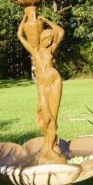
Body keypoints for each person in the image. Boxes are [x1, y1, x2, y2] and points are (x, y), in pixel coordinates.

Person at [18, 8, 67, 164]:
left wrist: (47, 21)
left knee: (53, 117)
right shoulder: (35, 51)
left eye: (51, 39)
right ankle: (47, 146)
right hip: (42, 86)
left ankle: (50, 148)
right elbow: (20, 35)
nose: (51, 41)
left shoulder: (51, 49)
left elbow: (61, 32)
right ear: (41, 38)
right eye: (47, 38)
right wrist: (25, 18)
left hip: (55, 82)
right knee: (45, 118)